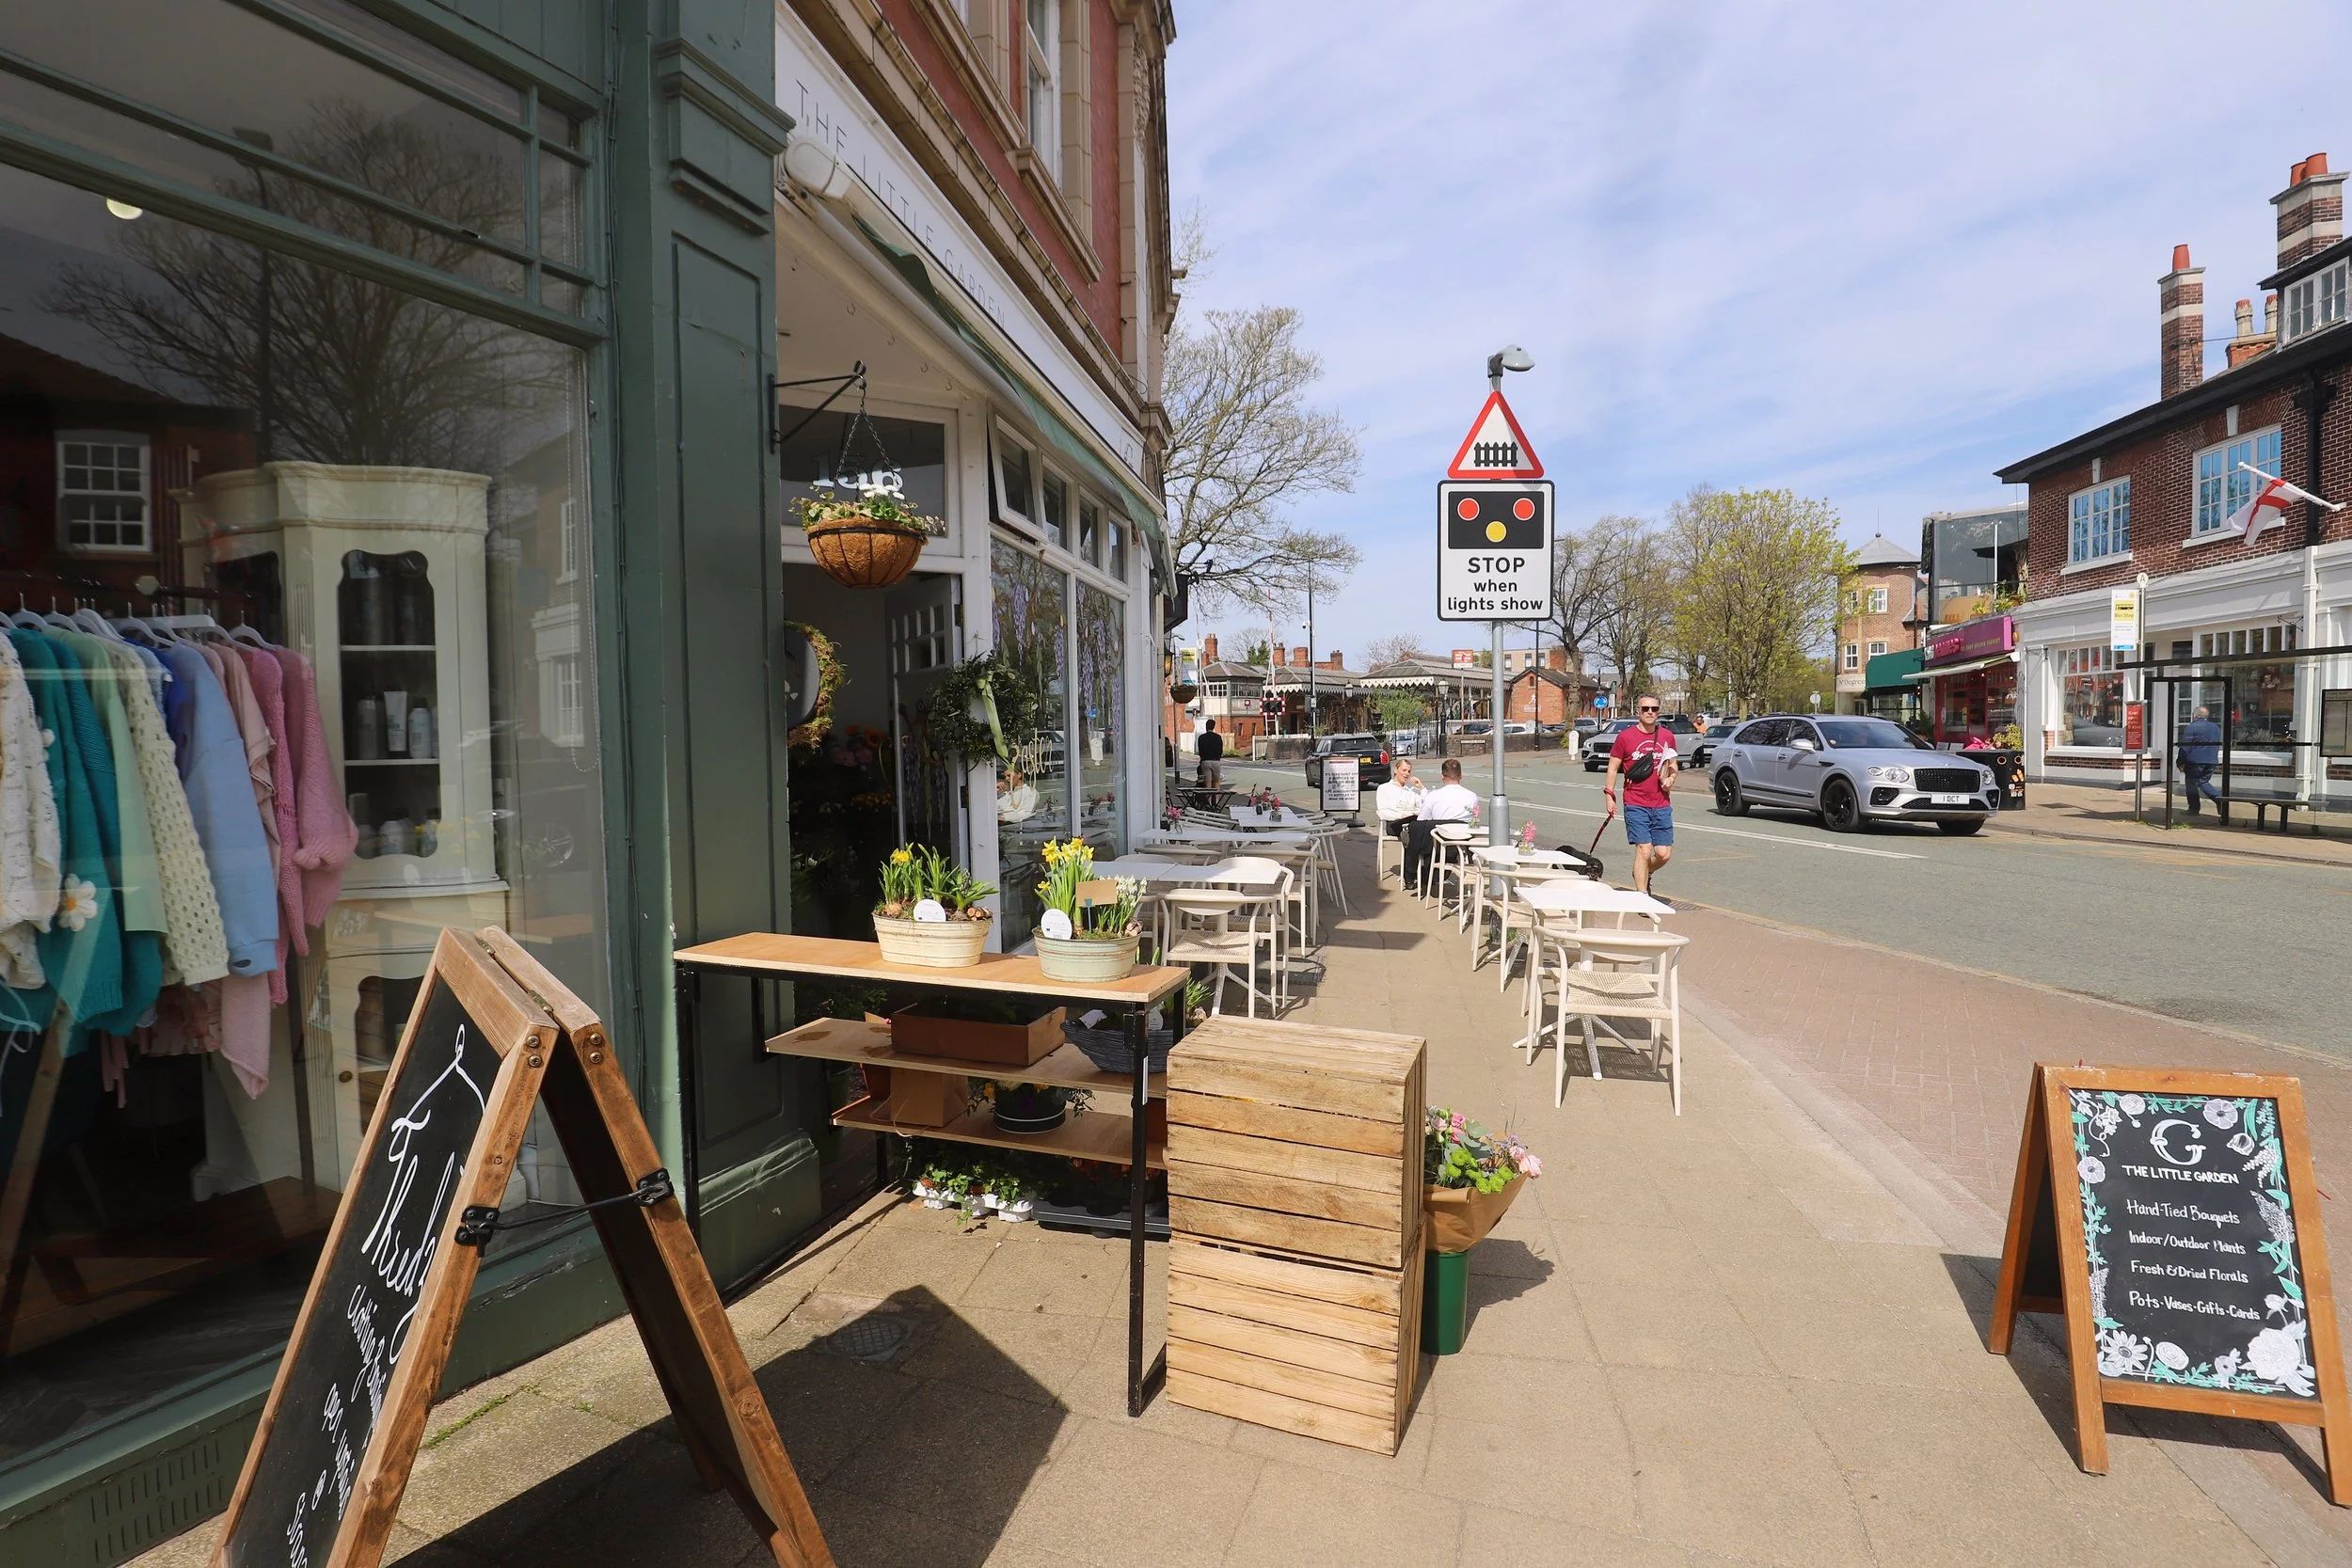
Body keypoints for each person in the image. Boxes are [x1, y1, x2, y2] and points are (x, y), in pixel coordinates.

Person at [1605, 695, 1679, 898]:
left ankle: (1646, 871)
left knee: (1664, 854)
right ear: (1638, 710)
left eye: (1654, 709)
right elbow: (1613, 768)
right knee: (1644, 849)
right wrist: (1609, 795)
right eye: (1645, 708)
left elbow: (1673, 766)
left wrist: (1671, 778)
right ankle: (1642, 896)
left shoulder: (1667, 736)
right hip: (1635, 802)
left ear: (1658, 711)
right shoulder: (1625, 737)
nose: (1650, 712)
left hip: (1661, 803)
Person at [1404, 758, 1480, 892]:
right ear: (1461, 776)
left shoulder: (1434, 796)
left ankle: (1411, 874)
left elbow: (1422, 820)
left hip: (1437, 842)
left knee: (1416, 829)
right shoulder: (1472, 796)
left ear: (1442, 777)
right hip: (1462, 842)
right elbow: (1474, 820)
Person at [1374, 757, 1426, 867]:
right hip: (1394, 823)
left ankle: (1419, 870)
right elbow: (1383, 812)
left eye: (1409, 771)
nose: (1406, 774)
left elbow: (1426, 806)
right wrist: (1401, 815)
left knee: (1418, 829)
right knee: (1414, 830)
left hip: (1412, 824)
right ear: (1396, 770)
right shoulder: (1384, 788)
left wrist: (1422, 788)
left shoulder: (1412, 791)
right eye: (1404, 770)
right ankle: (1414, 870)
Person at [2179, 705, 2225, 821]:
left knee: (2191, 784)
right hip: (2212, 760)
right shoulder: (2215, 727)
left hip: (2194, 761)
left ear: (2195, 716)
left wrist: (2180, 761)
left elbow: (2185, 746)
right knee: (2203, 781)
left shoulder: (2192, 727)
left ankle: (2194, 809)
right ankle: (2219, 799)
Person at [1196, 718, 1224, 788]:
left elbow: (1200, 750)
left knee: (1208, 783)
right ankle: (1217, 799)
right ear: (1213, 727)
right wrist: (1218, 757)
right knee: (1216, 782)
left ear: (1206, 727)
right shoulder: (1218, 737)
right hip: (1216, 761)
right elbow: (1220, 750)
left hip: (1205, 761)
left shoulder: (1201, 738)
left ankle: (1209, 799)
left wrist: (1202, 758)